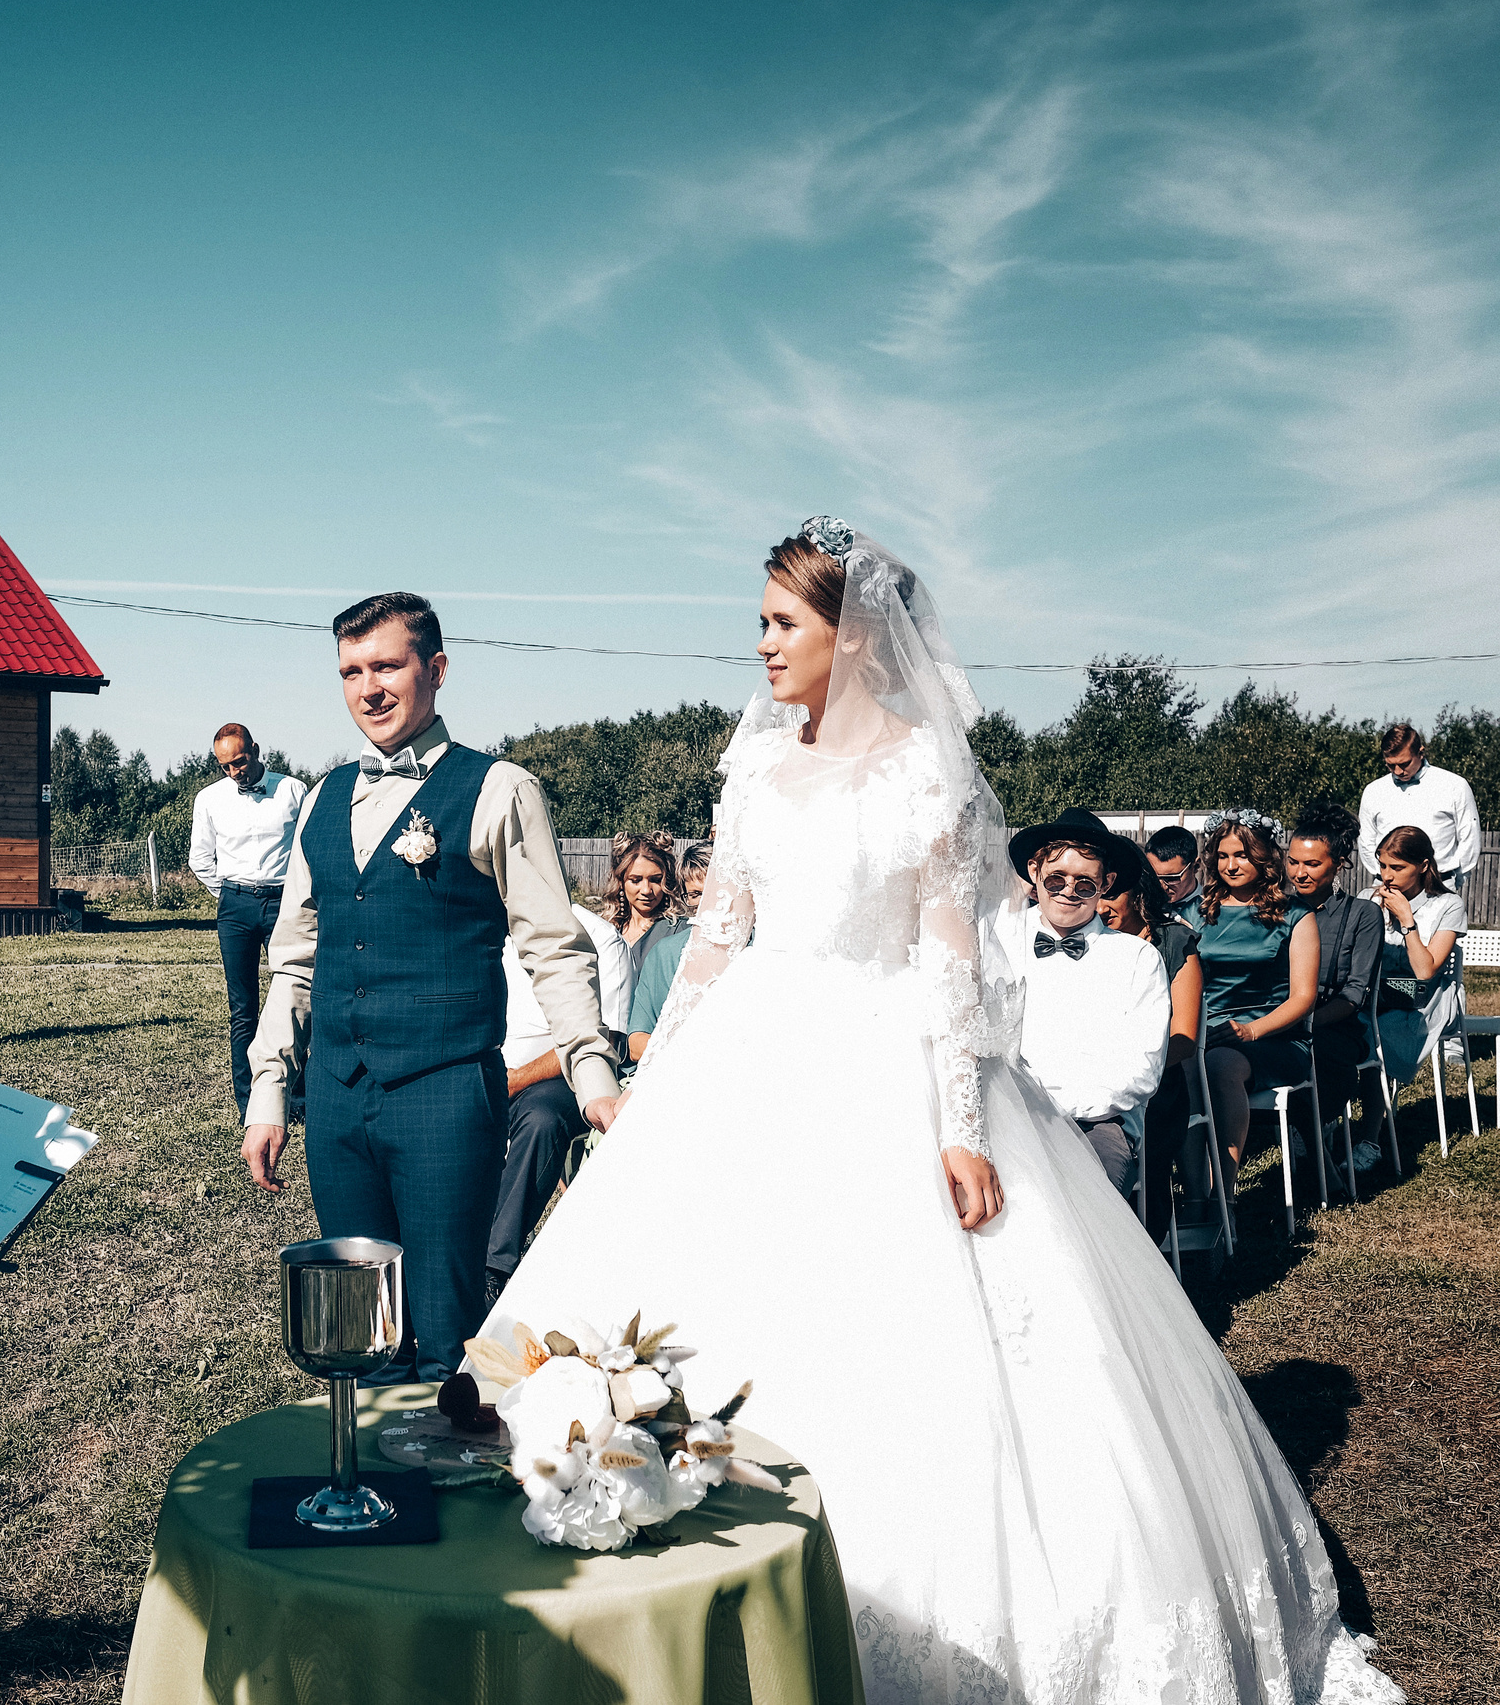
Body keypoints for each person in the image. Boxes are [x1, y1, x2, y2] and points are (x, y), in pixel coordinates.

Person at [485, 518, 1398, 1702]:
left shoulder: (926, 766)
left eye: (782, 623)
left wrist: (961, 1126)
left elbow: (947, 955)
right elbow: (715, 938)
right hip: (752, 1052)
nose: (760, 645)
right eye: (760, 622)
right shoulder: (754, 766)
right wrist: (661, 1087)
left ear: (855, 634)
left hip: (888, 1055)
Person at [240, 592, 620, 1383]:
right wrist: (269, 1090)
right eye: (351, 671)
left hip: (446, 1093)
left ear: (436, 669)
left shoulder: (500, 788)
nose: (368, 688)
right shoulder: (321, 798)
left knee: (448, 1336)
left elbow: (553, 948)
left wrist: (592, 1075)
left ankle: (448, 1459)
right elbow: (296, 959)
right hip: (337, 1099)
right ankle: (370, 1462)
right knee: (360, 1335)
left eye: (387, 666)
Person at [999, 809, 1170, 1191]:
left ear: (1107, 883)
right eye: (1056, 879)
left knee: (1088, 1190)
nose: (1068, 891)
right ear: (1034, 872)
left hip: (1097, 1121)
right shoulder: (997, 938)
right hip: (1005, 1111)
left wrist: (1063, 1109)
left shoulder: (1137, 958)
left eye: (1085, 884)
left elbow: (1142, 1069)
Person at [188, 723, 309, 1118]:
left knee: (293, 999)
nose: (234, 772)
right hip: (235, 906)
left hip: (283, 904)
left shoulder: (293, 790)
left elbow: (307, 850)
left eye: (239, 762)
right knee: (242, 1008)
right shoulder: (209, 799)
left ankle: (298, 1097)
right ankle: (249, 1103)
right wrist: (228, 894)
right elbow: (200, 858)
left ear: (255, 750)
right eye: (225, 766)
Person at [1195, 810, 1322, 1170]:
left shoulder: (1296, 915)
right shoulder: (1195, 912)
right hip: (1204, 1033)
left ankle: (1222, 1191)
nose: (1230, 865)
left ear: (1264, 856)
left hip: (1275, 1038)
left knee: (1219, 1065)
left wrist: (1250, 1031)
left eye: (1242, 855)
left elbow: (1304, 997)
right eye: (1223, 856)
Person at [1098, 862, 1208, 1232]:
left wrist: (1128, 1073)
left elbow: (1184, 1039)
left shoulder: (1174, 942)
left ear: (1138, 893)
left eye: (1112, 894)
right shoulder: (1085, 941)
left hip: (1156, 1084)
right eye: (1095, 893)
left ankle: (1140, 1231)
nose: (1101, 905)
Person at [488, 941, 591, 1306]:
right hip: (478, 1067)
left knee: (541, 1120)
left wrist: (517, 1079)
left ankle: (494, 1265)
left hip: (549, 1080)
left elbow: (602, 1034)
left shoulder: (595, 938)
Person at [1286, 803, 1386, 1174]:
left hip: (1334, 1025)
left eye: (1312, 864)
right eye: (1293, 862)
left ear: (1340, 864)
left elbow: (1355, 993)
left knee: (1321, 1054)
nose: (1299, 873)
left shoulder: (1362, 914)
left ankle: (1311, 1126)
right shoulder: (1278, 909)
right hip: (1277, 1019)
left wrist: (1305, 1022)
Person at [1372, 823, 1469, 1088]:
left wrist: (1406, 919)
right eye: (1383, 866)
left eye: (1397, 868)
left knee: (1380, 1025)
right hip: (1379, 992)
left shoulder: (1448, 904)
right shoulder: (1371, 900)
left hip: (1424, 997)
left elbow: (1425, 972)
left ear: (1423, 866)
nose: (1387, 876)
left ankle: (1375, 1093)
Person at [578, 831, 674, 1047]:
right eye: (636, 880)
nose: (646, 890)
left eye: (655, 880)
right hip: (602, 1043)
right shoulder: (604, 932)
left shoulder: (675, 933)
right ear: (621, 880)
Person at [1358, 722, 1480, 887]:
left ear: (1421, 753)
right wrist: (1382, 874)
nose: (1398, 771)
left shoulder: (1454, 786)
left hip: (1437, 884)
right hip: (1387, 886)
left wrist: (1453, 882)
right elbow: (1366, 841)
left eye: (1404, 764)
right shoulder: (1374, 791)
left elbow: (1469, 837)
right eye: (1391, 765)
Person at [625, 840, 709, 1056]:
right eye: (695, 894)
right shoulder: (665, 952)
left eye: (655, 880)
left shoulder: (760, 950)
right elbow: (637, 1040)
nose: (646, 890)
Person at [1145, 823, 1201, 910]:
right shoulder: (1140, 905)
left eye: (1171, 878)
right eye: (1153, 877)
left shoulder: (1215, 909)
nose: (1162, 886)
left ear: (1195, 867)